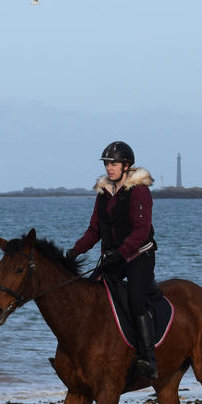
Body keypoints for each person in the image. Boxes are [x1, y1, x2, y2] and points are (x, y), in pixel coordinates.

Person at [69, 140, 161, 381]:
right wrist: (75, 250)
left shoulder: (139, 191)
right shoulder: (104, 193)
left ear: (126, 165)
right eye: (107, 163)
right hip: (114, 256)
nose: (109, 167)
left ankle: (148, 358)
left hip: (139, 254)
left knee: (135, 298)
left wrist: (120, 251)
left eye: (114, 163)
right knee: (89, 295)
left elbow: (141, 231)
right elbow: (93, 230)